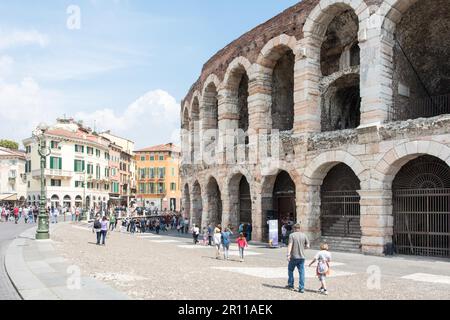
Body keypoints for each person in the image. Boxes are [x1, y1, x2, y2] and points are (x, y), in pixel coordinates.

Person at [286, 223, 310, 293]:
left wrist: (288, 254)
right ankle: (301, 288)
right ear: (300, 228)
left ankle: (291, 285)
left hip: (294, 256)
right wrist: (303, 248)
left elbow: (290, 245)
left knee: (290, 270)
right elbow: (308, 246)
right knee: (302, 272)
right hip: (302, 257)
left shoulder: (292, 235)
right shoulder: (304, 235)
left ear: (294, 228)